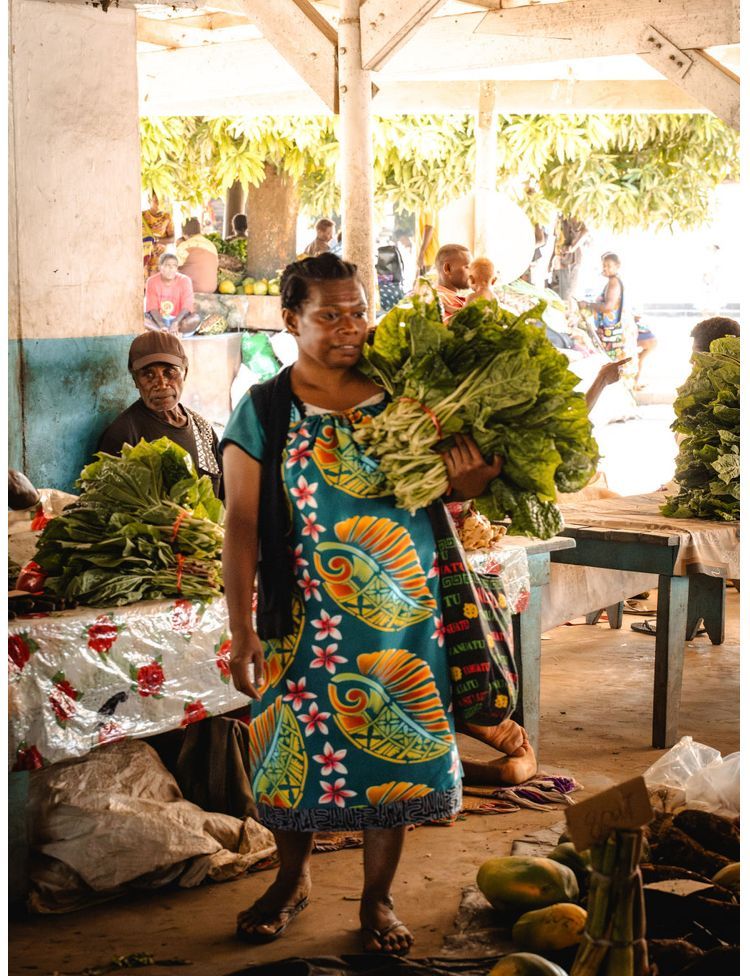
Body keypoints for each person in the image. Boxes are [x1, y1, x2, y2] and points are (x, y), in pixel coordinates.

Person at [220, 253, 530, 954]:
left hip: (404, 620)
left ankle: (378, 900)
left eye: (358, 311)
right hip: (298, 623)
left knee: (397, 758)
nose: (350, 328)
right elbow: (240, 526)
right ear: (290, 320)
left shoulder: (406, 398)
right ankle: (290, 880)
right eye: (329, 315)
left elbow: (452, 490)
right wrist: (241, 631)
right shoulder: (265, 410)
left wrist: (472, 479)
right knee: (292, 754)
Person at [98, 332, 222, 499]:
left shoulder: (203, 429)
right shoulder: (125, 435)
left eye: (169, 372)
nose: (161, 384)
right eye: (148, 375)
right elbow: (111, 505)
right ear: (135, 380)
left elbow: (226, 495)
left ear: (185, 372)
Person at [578, 252, 627, 361]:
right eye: (604, 265)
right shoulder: (612, 281)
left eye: (609, 266)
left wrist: (587, 305)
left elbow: (608, 307)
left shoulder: (614, 282)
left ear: (617, 267)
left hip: (609, 333)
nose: (605, 268)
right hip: (608, 331)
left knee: (608, 363)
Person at [144, 253, 200, 335]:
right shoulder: (151, 281)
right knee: (140, 318)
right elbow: (152, 308)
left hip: (179, 320)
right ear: (160, 267)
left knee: (195, 319)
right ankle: (163, 332)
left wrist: (175, 323)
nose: (171, 269)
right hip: (158, 321)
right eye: (167, 265)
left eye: (174, 266)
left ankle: (170, 332)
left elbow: (187, 306)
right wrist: (162, 325)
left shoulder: (185, 280)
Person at [549, 216, 589, 301]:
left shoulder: (572, 215)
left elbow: (585, 231)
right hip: (559, 262)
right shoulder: (560, 218)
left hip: (570, 264)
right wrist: (551, 261)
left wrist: (571, 248)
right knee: (554, 295)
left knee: (565, 298)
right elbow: (557, 241)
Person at [176, 217, 219, 295]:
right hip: (211, 290)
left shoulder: (185, 245)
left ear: (183, 233)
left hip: (191, 290)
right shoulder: (211, 245)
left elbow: (172, 266)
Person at [142, 192, 175, 282]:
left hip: (159, 261)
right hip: (143, 260)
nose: (159, 203)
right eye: (156, 200)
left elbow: (172, 239)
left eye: (161, 201)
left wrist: (158, 240)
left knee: (156, 286)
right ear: (149, 200)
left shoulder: (167, 217)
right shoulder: (142, 216)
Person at [435, 243, 472, 321]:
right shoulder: (439, 300)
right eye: (467, 267)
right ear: (448, 268)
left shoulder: (453, 297)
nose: (472, 272)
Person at [634, 310, 657, 390]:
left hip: (646, 341)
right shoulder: (641, 322)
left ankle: (634, 384)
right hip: (653, 341)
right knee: (639, 361)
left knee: (635, 361)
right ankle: (635, 384)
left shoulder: (633, 323)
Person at [416, 209, 439, 278]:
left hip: (429, 257)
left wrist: (421, 253)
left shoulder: (428, 207)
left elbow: (429, 228)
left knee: (425, 286)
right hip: (425, 258)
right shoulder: (421, 207)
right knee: (419, 285)